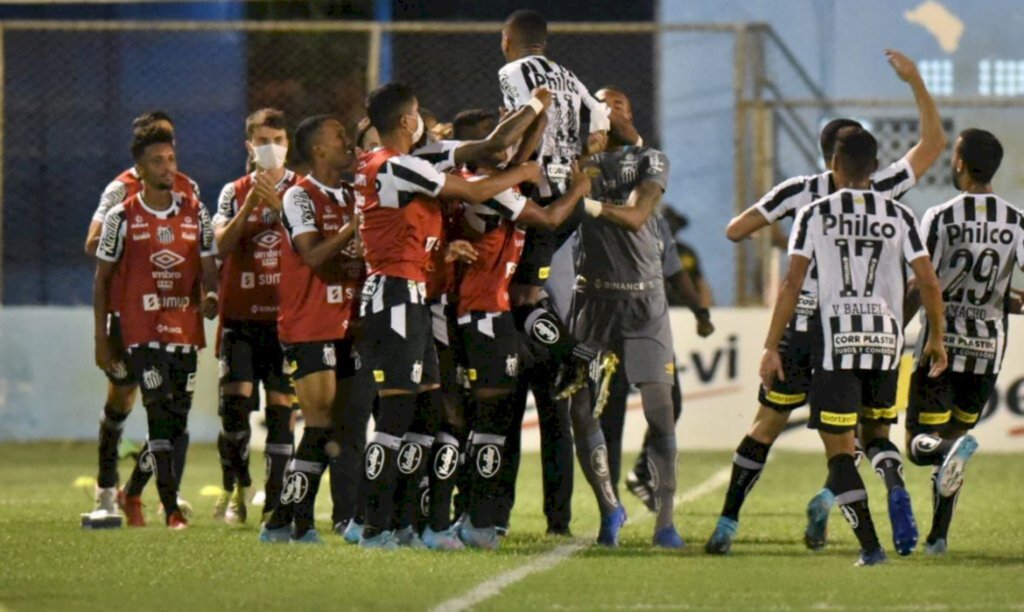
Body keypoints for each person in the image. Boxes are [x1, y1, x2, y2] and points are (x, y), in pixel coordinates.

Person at [707, 49, 946, 555]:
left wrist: (782, 231)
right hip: (868, 326)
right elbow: (932, 146)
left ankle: (727, 523)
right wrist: (916, 82)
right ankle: (838, 503)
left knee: (768, 425)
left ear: (826, 158)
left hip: (804, 324)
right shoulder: (884, 189)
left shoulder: (803, 194)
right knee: (865, 431)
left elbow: (735, 230)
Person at [353, 82, 542, 549]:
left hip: (414, 294)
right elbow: (469, 185)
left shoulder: (408, 163)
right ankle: (372, 524)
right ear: (404, 121)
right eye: (416, 112)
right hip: (393, 295)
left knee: (427, 413)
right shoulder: (392, 165)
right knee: (396, 415)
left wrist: (529, 128)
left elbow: (491, 150)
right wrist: (532, 129)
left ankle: (412, 525)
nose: (422, 121)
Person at [760, 126, 947, 566]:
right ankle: (896, 488)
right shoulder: (900, 215)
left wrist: (772, 345)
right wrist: (935, 337)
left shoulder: (815, 213)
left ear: (834, 165)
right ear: (876, 167)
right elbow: (928, 281)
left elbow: (792, 283)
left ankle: (871, 548)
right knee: (878, 435)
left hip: (837, 342)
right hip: (886, 341)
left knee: (840, 454)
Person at [447, 108, 592, 549]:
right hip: (482, 316)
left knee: (489, 422)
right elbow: (547, 219)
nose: (507, 144)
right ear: (484, 148)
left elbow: (518, 159)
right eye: (498, 139)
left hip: (489, 313)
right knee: (486, 423)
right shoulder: (484, 189)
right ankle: (477, 521)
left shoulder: (491, 179)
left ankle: (478, 520)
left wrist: (540, 116)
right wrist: (582, 188)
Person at [92, 125, 219, 529]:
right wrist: (101, 337)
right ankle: (170, 509)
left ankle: (133, 491)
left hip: (183, 327)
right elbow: (102, 275)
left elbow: (208, 262)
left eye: (171, 159)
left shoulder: (194, 207)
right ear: (139, 170)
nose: (168, 167)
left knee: (175, 424)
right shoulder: (120, 210)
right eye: (157, 161)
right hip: (139, 327)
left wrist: (210, 294)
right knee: (155, 409)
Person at [904, 129, 1022, 554]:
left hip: (942, 345)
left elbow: (924, 284)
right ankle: (938, 537)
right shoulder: (1016, 219)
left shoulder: (940, 216)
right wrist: (1007, 300)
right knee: (952, 449)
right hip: (988, 351)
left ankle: (951, 450)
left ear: (959, 163)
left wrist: (894, 329)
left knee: (922, 446)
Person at [257, 115, 361, 544]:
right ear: (318, 149)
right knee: (317, 424)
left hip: (351, 324)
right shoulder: (301, 197)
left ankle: (284, 520)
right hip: (310, 324)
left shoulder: (355, 193)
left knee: (339, 428)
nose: (348, 143)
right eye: (340, 138)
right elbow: (313, 255)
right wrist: (357, 226)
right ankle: (296, 522)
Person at [211, 108, 301, 524]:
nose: (273, 148)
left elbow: (309, 246)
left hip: (286, 319)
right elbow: (222, 246)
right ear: (250, 146)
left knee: (281, 406)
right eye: (264, 141)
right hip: (241, 318)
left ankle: (277, 497)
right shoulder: (232, 191)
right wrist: (250, 204)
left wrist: (280, 205)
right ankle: (237, 489)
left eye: (279, 140)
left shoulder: (302, 190)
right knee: (235, 405)